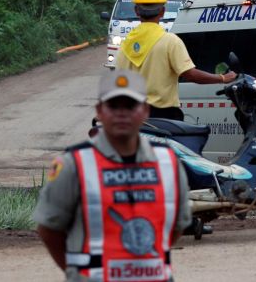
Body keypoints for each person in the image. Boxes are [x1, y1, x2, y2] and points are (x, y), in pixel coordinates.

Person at [34, 69, 192, 281]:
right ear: (99, 111)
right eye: (113, 105)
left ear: (145, 110)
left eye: (130, 105)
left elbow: (176, 227)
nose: (122, 113)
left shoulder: (168, 162)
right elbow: (49, 230)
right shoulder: (73, 164)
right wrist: (78, 274)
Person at [115, 0, 236, 120]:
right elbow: (190, 75)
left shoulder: (125, 45)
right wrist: (222, 78)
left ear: (136, 11)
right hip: (163, 118)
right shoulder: (170, 41)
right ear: (162, 11)